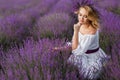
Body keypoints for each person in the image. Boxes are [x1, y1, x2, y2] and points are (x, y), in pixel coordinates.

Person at [66, 5, 110, 80]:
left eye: (85, 16)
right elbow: (77, 42)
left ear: (90, 17)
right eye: (80, 15)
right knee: (70, 68)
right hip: (82, 52)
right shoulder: (82, 24)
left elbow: (76, 52)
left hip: (91, 58)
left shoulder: (91, 32)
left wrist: (76, 31)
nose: (81, 18)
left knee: (87, 76)